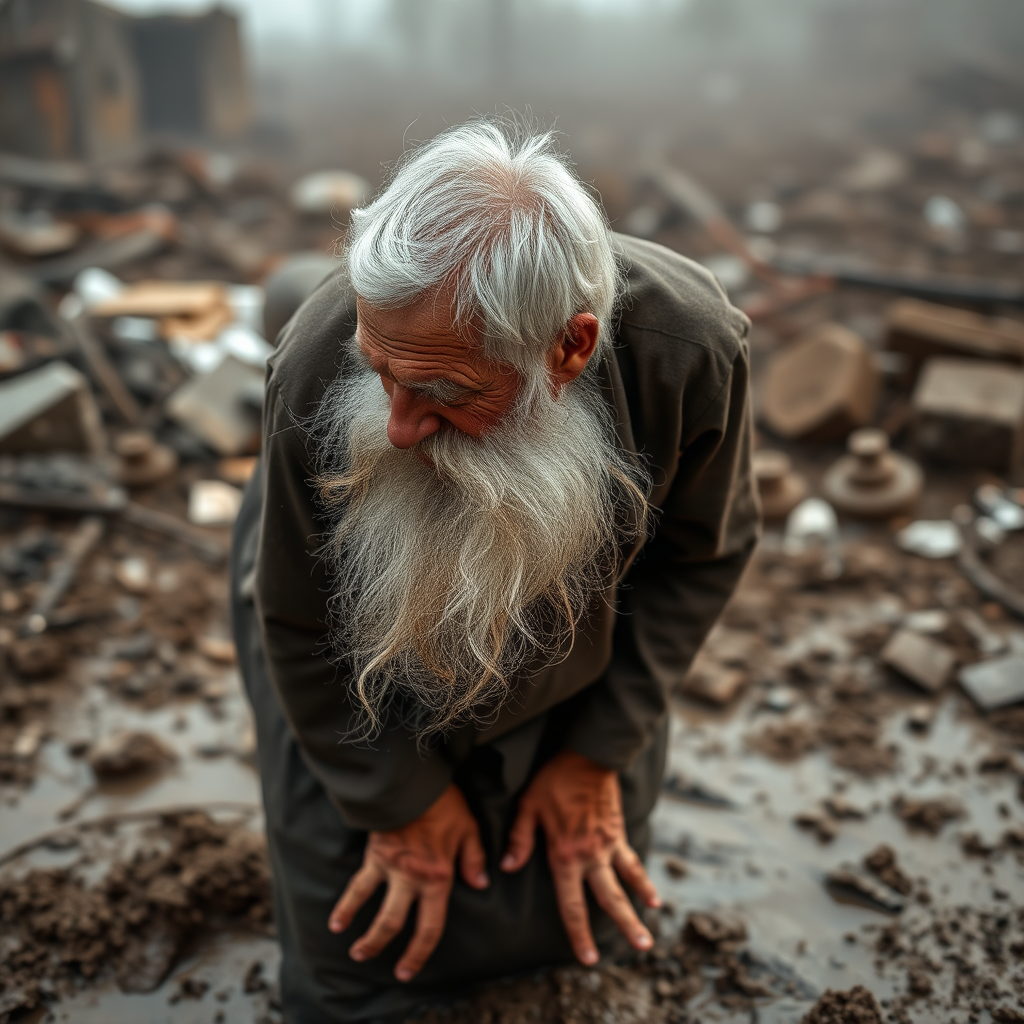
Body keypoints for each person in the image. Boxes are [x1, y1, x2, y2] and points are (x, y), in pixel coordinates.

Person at [231, 117, 759, 1024]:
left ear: (569, 349)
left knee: (567, 921)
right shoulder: (318, 358)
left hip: (579, 675)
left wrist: (597, 755)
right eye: (380, 370)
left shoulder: (689, 352)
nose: (395, 426)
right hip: (352, 670)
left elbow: (696, 562)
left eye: (441, 391)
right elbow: (294, 615)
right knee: (353, 976)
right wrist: (396, 803)